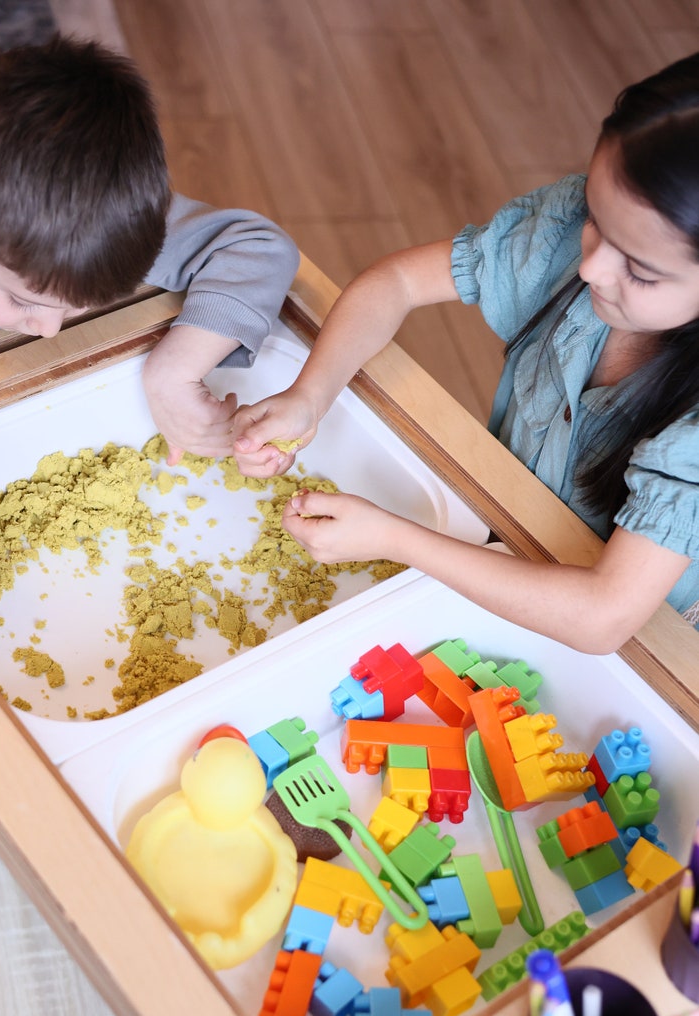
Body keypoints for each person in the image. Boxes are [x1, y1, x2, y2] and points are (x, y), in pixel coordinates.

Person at [232, 53, 699, 655]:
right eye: (597, 221)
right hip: (506, 521)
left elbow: (602, 617)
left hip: (648, 639)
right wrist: (309, 394)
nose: (590, 267)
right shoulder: (567, 234)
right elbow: (396, 283)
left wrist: (397, 539)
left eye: (638, 269)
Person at [0, 35, 298, 618]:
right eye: (20, 301)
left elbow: (260, 248)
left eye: (79, 305)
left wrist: (176, 369)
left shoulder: (97, 219)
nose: (48, 331)